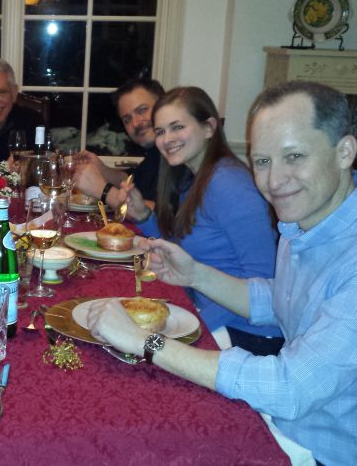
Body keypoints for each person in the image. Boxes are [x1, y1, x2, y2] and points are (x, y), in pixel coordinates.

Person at [86, 81, 357, 465]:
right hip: (275, 424)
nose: (274, 181)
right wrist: (196, 275)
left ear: (344, 151)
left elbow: (289, 389)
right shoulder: (308, 223)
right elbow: (279, 299)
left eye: (294, 156)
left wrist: (145, 341)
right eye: (262, 161)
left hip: (323, 453)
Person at [120, 87, 282, 354]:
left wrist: (191, 324)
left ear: (209, 128)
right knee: (122, 330)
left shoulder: (230, 184)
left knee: (141, 352)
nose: (167, 139)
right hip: (209, 314)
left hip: (247, 334)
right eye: (160, 131)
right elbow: (181, 246)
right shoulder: (191, 178)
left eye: (177, 127)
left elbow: (264, 278)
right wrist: (143, 216)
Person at [73, 78, 164, 205]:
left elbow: (167, 214)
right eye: (127, 119)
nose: (135, 123)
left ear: (163, 106)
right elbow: (133, 182)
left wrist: (102, 190)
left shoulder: (177, 155)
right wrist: (103, 170)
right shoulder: (155, 153)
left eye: (142, 110)